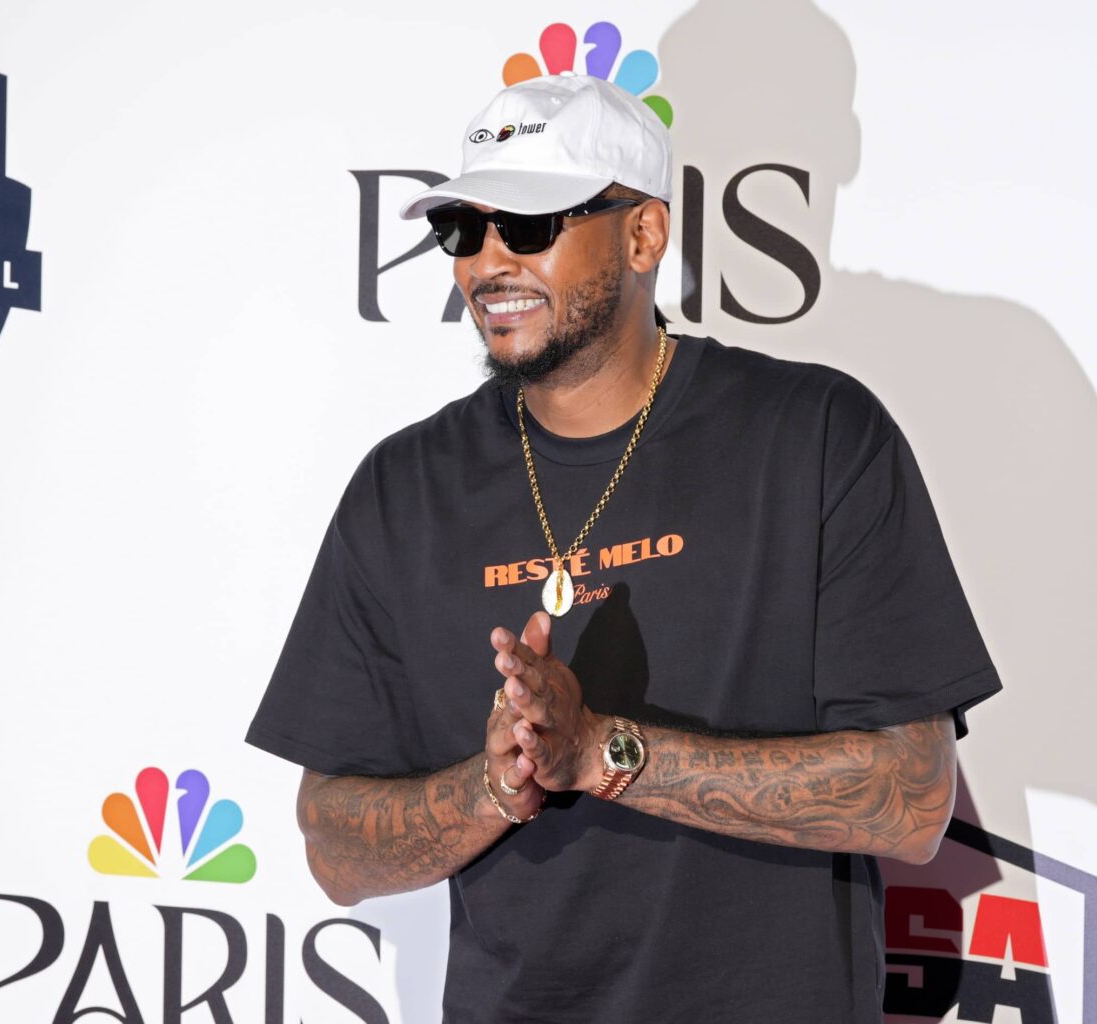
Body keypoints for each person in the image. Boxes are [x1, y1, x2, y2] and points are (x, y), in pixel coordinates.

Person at [245, 72, 1002, 1023]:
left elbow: (912, 797)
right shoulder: (404, 490)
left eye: (528, 226)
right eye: (462, 230)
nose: (486, 264)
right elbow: (332, 848)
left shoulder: (813, 435)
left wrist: (601, 753)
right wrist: (496, 785)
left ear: (643, 234)